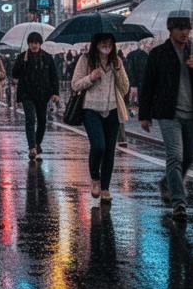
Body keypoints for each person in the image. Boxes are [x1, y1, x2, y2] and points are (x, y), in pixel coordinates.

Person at [138, 11, 193, 222]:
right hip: (167, 113)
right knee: (175, 155)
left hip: (192, 113)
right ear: (171, 30)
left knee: (189, 157)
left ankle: (167, 183)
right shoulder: (159, 54)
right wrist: (144, 115)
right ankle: (179, 202)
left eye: (187, 29)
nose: (184, 33)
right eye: (180, 28)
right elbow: (148, 85)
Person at [72, 33, 129, 202]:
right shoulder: (85, 60)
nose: (106, 44)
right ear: (95, 43)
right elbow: (75, 84)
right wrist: (91, 77)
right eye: (103, 41)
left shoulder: (116, 61)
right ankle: (95, 178)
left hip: (112, 110)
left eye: (110, 41)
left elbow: (125, 88)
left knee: (110, 151)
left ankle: (105, 188)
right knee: (99, 146)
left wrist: (118, 69)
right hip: (91, 110)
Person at [12, 32, 60, 161]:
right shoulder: (22, 57)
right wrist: (23, 62)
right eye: (32, 42)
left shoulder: (47, 57)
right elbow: (14, 73)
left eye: (36, 42)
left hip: (43, 94)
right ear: (28, 44)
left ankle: (37, 143)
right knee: (30, 119)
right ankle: (32, 147)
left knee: (42, 121)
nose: (34, 45)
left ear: (40, 44)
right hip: (27, 94)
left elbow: (54, 76)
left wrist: (56, 93)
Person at [125, 41, 149, 113]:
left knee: (132, 94)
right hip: (143, 77)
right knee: (141, 93)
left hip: (132, 78)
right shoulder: (145, 55)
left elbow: (129, 68)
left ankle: (133, 109)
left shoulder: (130, 55)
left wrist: (131, 79)